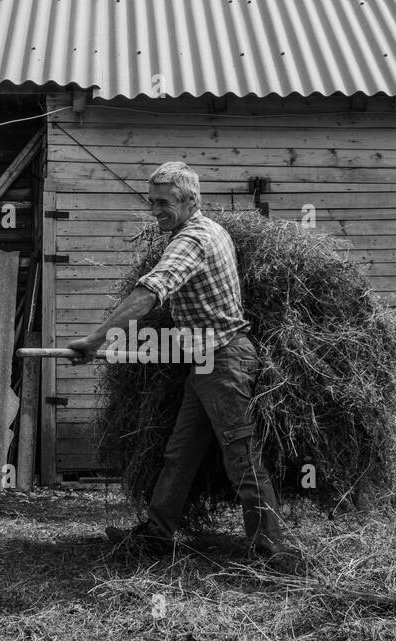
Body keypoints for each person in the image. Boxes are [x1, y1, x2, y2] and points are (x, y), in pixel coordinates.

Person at [66, 162, 304, 573]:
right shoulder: (211, 230)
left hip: (224, 361)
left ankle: (275, 553)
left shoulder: (190, 240)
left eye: (164, 202)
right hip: (206, 358)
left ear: (191, 200)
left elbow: (150, 291)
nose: (156, 209)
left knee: (241, 455)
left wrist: (95, 339)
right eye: (152, 201)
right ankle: (158, 533)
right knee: (180, 452)